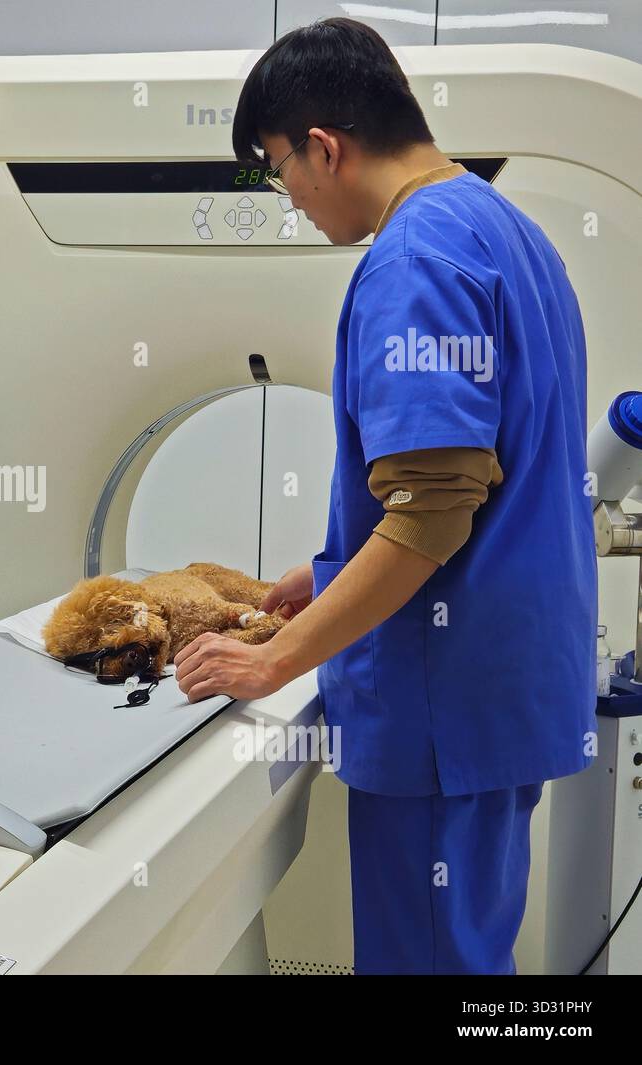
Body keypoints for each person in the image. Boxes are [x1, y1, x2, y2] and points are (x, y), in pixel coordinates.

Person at [174, 17, 596, 974]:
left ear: (324, 145)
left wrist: (275, 660)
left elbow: (433, 511)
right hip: (501, 687)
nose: (289, 198)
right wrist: (321, 575)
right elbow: (480, 478)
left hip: (442, 700)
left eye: (279, 170)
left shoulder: (413, 263)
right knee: (468, 955)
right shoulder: (507, 231)